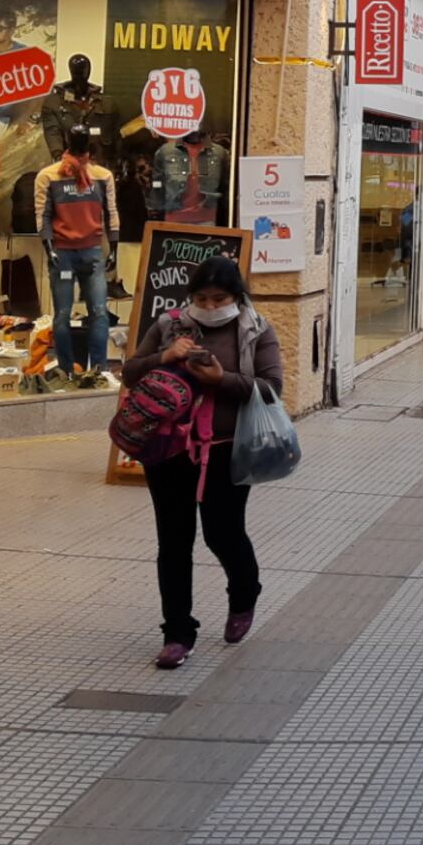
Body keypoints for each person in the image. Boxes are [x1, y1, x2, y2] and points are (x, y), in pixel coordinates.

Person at [122, 257, 282, 670]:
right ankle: (177, 633)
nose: (210, 307)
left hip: (228, 451)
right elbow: (130, 372)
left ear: (236, 297)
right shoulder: (169, 325)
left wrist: (221, 380)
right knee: (173, 542)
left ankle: (244, 593)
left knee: (222, 534)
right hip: (168, 450)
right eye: (201, 298)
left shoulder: (255, 330)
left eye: (219, 298)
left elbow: (272, 389)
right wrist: (164, 357)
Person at [35, 126, 120, 386]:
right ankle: (66, 369)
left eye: (84, 138)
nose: (81, 142)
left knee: (99, 311)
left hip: (92, 250)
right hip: (62, 252)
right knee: (62, 314)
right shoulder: (48, 176)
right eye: (76, 138)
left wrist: (114, 246)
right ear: (69, 141)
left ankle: (100, 369)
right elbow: (43, 214)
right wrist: (48, 247)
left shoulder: (102, 176)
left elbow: (111, 212)